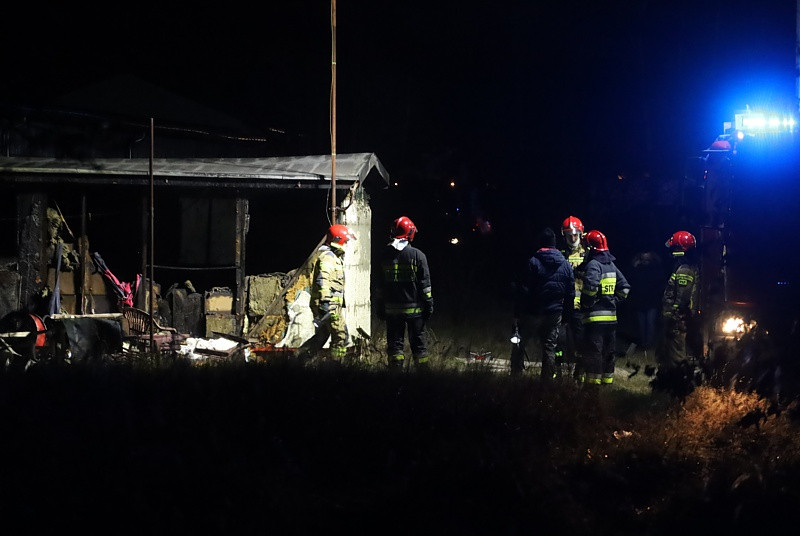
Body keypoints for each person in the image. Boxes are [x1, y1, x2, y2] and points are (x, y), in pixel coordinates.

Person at [512, 227, 574, 378]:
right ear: (554, 243)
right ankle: (546, 384)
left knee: (519, 343)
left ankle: (515, 377)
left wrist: (517, 313)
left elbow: (524, 290)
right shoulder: (566, 265)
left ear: (540, 243)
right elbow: (570, 293)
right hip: (554, 313)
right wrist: (567, 316)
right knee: (549, 348)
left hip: (534, 311)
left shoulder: (533, 262)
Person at [377, 216, 434, 370]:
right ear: (409, 233)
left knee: (395, 348)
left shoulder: (384, 255)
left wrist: (380, 306)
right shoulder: (418, 256)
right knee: (419, 348)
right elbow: (425, 286)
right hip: (415, 312)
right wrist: (428, 305)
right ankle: (424, 378)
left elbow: (380, 285)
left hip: (392, 311)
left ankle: (395, 377)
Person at [296, 223, 356, 361]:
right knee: (340, 335)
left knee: (322, 335)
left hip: (330, 305)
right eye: (345, 241)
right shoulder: (328, 258)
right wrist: (325, 303)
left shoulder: (332, 257)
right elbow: (323, 281)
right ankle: (334, 366)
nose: (347, 244)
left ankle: (298, 359)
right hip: (329, 306)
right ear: (338, 240)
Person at [579, 230, 630, 385]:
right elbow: (625, 288)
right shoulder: (611, 265)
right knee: (609, 352)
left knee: (594, 352)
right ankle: (607, 382)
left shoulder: (594, 265)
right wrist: (613, 301)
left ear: (591, 248)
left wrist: (586, 302)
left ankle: (592, 385)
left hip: (595, 319)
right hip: (611, 318)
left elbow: (591, 288)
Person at [657, 231, 701, 371]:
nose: (670, 251)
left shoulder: (684, 269)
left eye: (674, 247)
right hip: (678, 316)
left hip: (678, 317)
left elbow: (682, 296)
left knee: (677, 350)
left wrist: (672, 314)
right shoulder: (684, 267)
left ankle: (679, 380)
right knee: (671, 348)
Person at [558, 215, 587, 376]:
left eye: (575, 234)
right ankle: (558, 370)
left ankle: (579, 373)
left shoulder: (587, 253)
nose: (573, 238)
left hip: (580, 307)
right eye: (569, 235)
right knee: (559, 341)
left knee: (580, 342)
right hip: (563, 305)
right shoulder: (560, 252)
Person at [627, 250, 665, 355]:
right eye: (644, 259)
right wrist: (634, 267)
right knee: (641, 324)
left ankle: (648, 344)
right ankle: (643, 344)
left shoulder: (656, 269)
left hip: (652, 301)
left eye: (647, 259)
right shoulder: (637, 268)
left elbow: (660, 283)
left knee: (650, 323)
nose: (645, 261)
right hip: (640, 301)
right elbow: (631, 280)